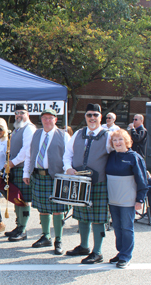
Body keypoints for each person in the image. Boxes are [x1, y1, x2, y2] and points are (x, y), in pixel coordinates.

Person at [63, 103, 112, 264]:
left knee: (98, 218)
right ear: (85, 116)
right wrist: (68, 168)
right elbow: (67, 154)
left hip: (98, 183)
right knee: (82, 216)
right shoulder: (78, 133)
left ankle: (97, 252)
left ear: (100, 117)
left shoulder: (108, 136)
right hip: (79, 182)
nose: (92, 118)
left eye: (95, 115)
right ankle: (84, 246)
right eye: (89, 115)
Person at [23, 109, 70, 255]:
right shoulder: (36, 134)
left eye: (50, 118)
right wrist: (26, 172)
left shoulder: (64, 135)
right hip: (38, 176)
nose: (47, 121)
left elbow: (69, 156)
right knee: (42, 208)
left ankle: (58, 240)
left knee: (57, 210)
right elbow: (29, 155)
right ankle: (46, 236)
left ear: (55, 120)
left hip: (55, 177)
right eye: (44, 118)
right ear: (41, 119)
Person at [106, 129, 148, 268]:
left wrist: (140, 200)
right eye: (115, 140)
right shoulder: (111, 156)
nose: (117, 142)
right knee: (117, 227)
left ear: (127, 141)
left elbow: (142, 181)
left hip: (128, 200)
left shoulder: (134, 157)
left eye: (120, 139)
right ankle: (120, 252)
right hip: (113, 199)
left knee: (127, 227)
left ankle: (126, 256)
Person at [4, 104, 36, 242]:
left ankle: (22, 230)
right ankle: (18, 226)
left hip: (22, 168)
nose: (19, 115)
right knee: (17, 199)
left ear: (27, 113)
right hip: (14, 168)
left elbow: (27, 150)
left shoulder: (29, 128)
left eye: (22, 112)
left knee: (22, 201)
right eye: (17, 113)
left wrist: (12, 162)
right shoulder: (18, 128)